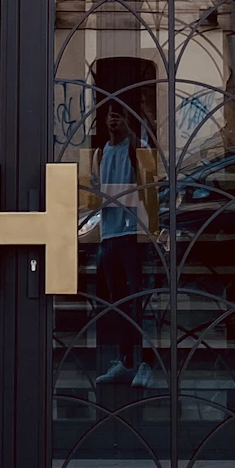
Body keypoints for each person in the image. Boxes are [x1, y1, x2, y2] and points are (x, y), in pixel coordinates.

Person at [88, 102, 160, 388]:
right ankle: (126, 360)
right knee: (118, 302)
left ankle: (145, 361)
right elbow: (94, 193)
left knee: (138, 300)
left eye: (120, 115)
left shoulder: (137, 148)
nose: (114, 120)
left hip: (132, 234)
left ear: (128, 119)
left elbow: (150, 186)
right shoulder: (99, 153)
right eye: (110, 115)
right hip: (109, 234)